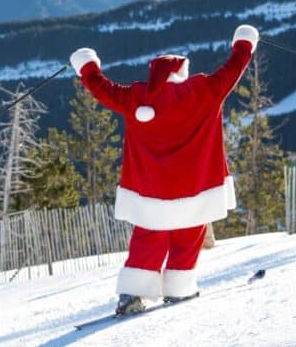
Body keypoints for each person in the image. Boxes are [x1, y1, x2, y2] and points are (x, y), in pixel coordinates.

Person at [69, 24, 259, 315]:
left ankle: (132, 294)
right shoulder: (205, 90)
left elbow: (101, 88)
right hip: (196, 188)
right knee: (188, 238)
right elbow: (233, 68)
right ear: (182, 73)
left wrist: (87, 66)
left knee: (149, 239)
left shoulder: (136, 97)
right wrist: (244, 44)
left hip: (151, 191)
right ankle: (180, 289)